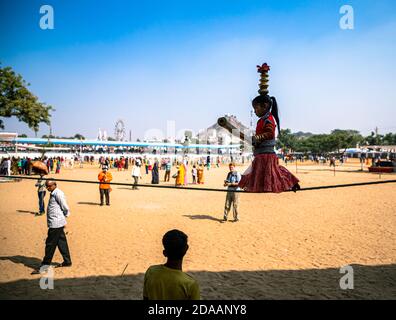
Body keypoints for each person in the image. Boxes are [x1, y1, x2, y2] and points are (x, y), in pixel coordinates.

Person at [239, 63, 300, 193]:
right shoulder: (262, 120)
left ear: (265, 105)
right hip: (261, 154)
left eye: (256, 108)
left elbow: (269, 133)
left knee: (274, 174)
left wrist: (256, 138)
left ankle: (291, 183)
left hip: (266, 155)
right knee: (263, 174)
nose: (255, 111)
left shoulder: (268, 119)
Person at [143, 229, 200, 300]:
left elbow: (145, 297)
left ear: (164, 253)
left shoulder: (151, 272)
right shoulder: (190, 284)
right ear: (186, 249)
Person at [32, 180, 72, 274]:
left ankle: (44, 266)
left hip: (56, 223)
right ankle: (67, 261)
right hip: (56, 222)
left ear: (55, 185)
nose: (48, 188)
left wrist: (64, 216)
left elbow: (65, 206)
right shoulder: (53, 193)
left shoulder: (58, 194)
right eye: (47, 186)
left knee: (50, 245)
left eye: (49, 186)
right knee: (61, 242)